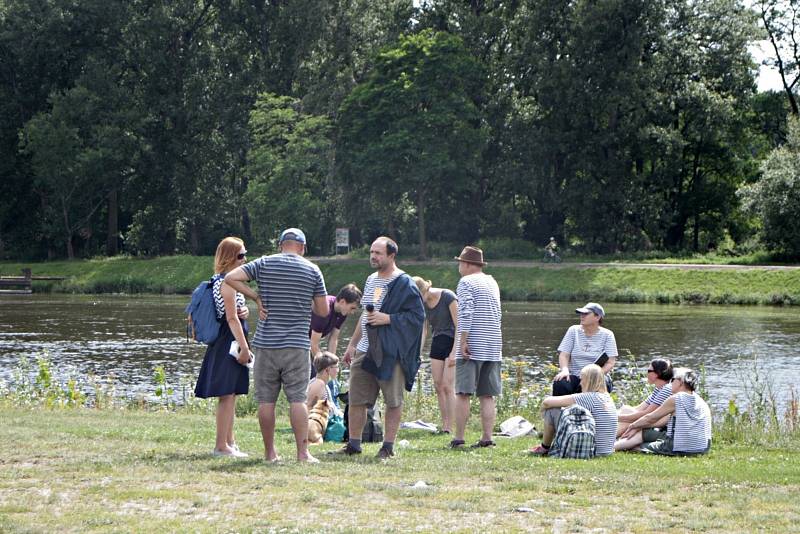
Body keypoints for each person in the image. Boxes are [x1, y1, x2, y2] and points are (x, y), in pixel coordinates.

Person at [224, 228, 329, 463]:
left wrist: (256, 297)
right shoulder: (312, 269)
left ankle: (270, 453)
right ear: (302, 247)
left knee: (266, 401)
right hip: (296, 344)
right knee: (297, 400)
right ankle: (303, 453)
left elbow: (231, 278)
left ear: (281, 244)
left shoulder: (263, 263)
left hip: (265, 344)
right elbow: (323, 311)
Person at [336, 236, 425, 459]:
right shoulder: (371, 280)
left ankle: (387, 447)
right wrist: (352, 344)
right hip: (366, 350)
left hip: (390, 351)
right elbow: (366, 315)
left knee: (393, 400)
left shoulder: (404, 282)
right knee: (356, 399)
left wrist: (389, 319)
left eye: (378, 253)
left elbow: (417, 317)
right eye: (371, 253)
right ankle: (354, 445)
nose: (373, 257)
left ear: (392, 255)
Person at [194, 237, 252, 458]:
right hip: (229, 341)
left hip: (230, 340)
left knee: (232, 393)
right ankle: (221, 446)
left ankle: (230, 441)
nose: (245, 259)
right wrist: (245, 348)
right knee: (226, 394)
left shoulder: (227, 282)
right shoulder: (226, 282)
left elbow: (236, 312)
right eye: (240, 255)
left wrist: (244, 311)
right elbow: (231, 318)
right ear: (229, 258)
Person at [450, 246, 503, 449]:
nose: (459, 267)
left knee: (463, 392)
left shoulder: (466, 282)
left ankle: (459, 438)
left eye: (459, 263)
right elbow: (497, 314)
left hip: (473, 345)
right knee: (487, 395)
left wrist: (463, 340)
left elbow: (466, 312)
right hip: (493, 344)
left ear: (466, 264)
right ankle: (487, 438)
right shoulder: (492, 281)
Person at [529, 364, 618, 457]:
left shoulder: (589, 397)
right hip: (607, 451)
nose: (580, 383)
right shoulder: (607, 397)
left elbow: (546, 402)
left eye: (582, 379)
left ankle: (544, 448)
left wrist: (543, 412)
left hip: (593, 451)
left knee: (552, 410)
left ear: (588, 380)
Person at [621, 367, 712, 456]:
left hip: (681, 447)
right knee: (644, 433)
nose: (670, 383)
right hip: (703, 447)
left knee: (636, 447)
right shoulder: (700, 400)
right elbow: (663, 420)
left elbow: (651, 418)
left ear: (680, 382)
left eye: (673, 380)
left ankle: (612, 447)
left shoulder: (676, 398)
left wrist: (632, 426)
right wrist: (639, 426)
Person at [413, 276, 458, 434]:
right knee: (438, 386)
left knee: (448, 386)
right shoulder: (423, 305)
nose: (419, 300)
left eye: (419, 296)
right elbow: (424, 329)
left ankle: (450, 426)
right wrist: (418, 352)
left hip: (453, 340)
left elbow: (459, 325)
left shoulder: (448, 296)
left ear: (425, 289)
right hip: (438, 340)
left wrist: (454, 351)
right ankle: (444, 424)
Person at [552, 302, 618, 396]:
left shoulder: (608, 335)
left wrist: (594, 376)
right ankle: (561, 410)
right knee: (561, 382)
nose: (582, 316)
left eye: (586, 314)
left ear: (597, 317)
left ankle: (598, 410)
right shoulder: (573, 330)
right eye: (581, 314)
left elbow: (610, 362)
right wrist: (565, 370)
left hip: (597, 375)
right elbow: (564, 355)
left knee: (601, 384)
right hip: (575, 375)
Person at [614, 358, 674, 451]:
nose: (647, 373)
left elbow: (646, 414)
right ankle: (609, 438)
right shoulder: (659, 389)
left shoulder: (666, 389)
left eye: (649, 370)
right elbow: (639, 408)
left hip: (658, 427)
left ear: (657, 373)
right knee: (626, 408)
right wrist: (618, 414)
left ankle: (606, 439)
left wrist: (616, 417)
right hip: (652, 422)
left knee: (627, 411)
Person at [309, 283, 362, 377]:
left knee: (323, 373)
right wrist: (324, 367)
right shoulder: (324, 310)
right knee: (314, 374)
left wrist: (332, 364)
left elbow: (333, 339)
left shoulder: (342, 313)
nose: (353, 312)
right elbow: (313, 344)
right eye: (352, 308)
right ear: (342, 301)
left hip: (310, 340)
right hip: (297, 339)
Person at [306, 352, 342, 443]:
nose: (338, 370)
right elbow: (308, 408)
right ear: (327, 370)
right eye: (336, 367)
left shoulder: (324, 384)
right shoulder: (319, 384)